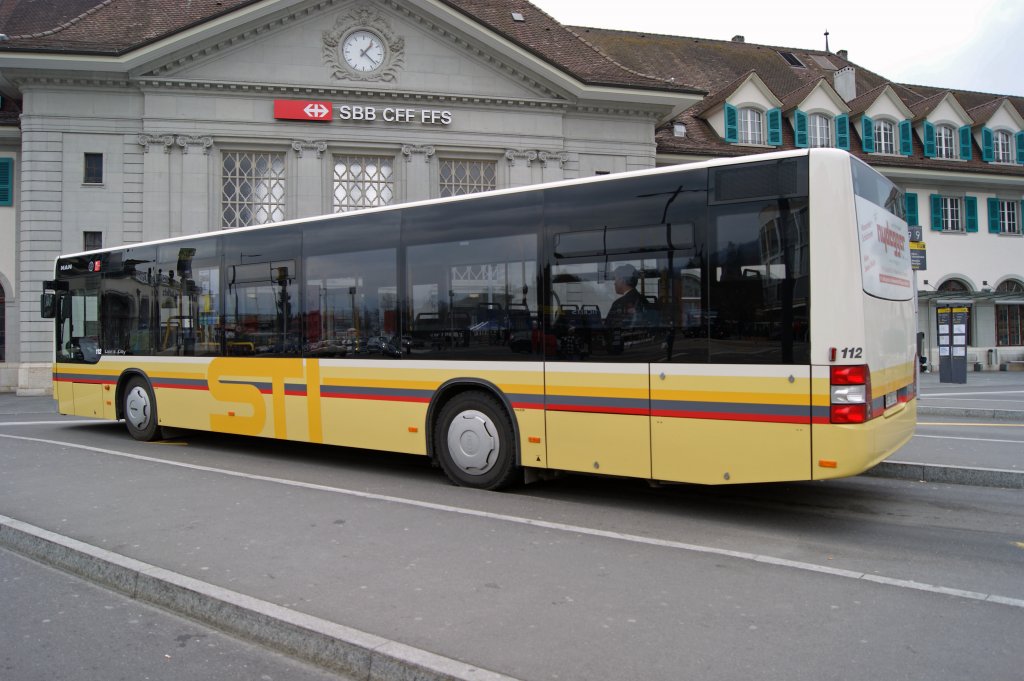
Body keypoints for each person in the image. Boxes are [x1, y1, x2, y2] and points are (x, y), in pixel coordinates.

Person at [605, 264, 645, 329]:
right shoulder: (643, 300)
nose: (614, 283)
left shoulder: (618, 304)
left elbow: (608, 328)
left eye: (615, 279)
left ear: (622, 280)